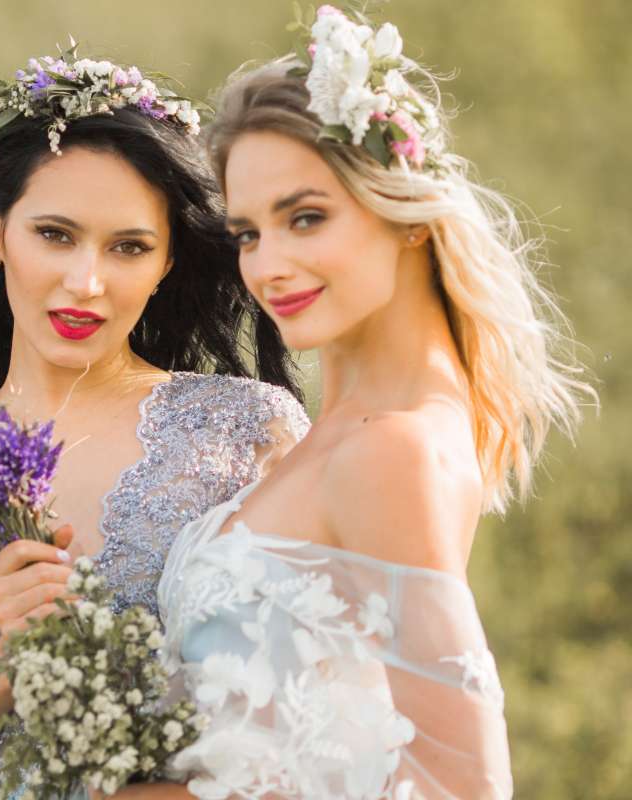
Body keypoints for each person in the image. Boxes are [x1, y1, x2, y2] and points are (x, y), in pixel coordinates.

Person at [0, 51, 308, 798]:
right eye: (55, 234)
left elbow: (314, 712)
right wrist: (7, 661)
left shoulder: (247, 431)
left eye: (129, 247)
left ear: (168, 260)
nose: (86, 282)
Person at [142, 8, 592, 799]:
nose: (269, 266)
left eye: (306, 217)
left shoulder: (394, 449)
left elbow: (465, 782)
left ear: (403, 211)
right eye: (248, 234)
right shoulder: (334, 432)